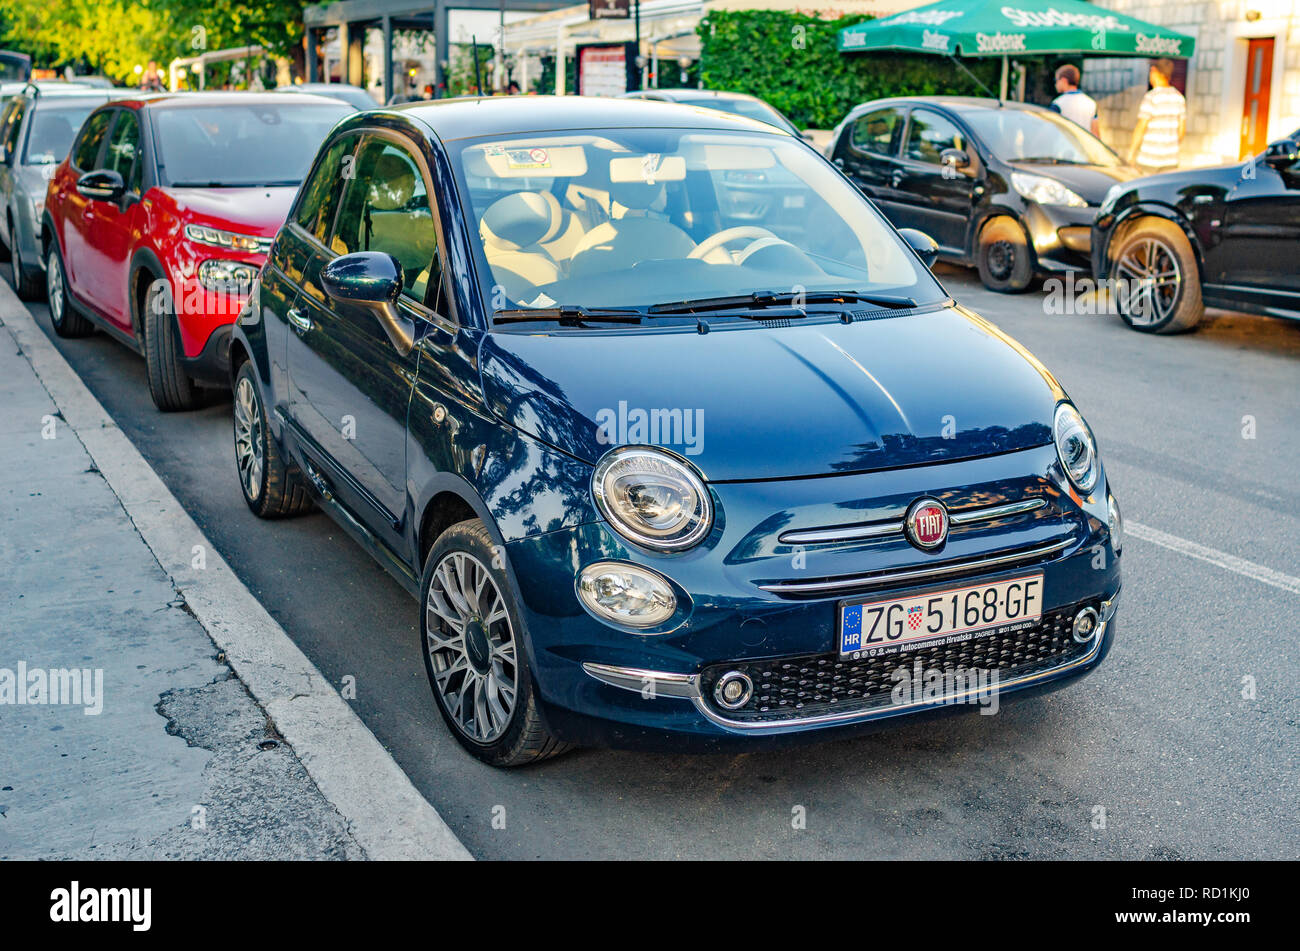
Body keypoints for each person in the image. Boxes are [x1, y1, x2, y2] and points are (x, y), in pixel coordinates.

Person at [1128, 58, 1186, 172]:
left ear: (1154, 71)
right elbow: (1182, 131)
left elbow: (1141, 127)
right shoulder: (1179, 97)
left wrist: (1131, 153)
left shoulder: (1151, 97)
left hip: (1149, 159)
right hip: (1171, 159)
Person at [1050, 64, 1099, 136]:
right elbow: (1095, 134)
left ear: (1064, 80)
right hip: (1084, 146)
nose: (1055, 84)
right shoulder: (1091, 103)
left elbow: (1052, 131)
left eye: (1056, 80)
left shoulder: (1058, 103)